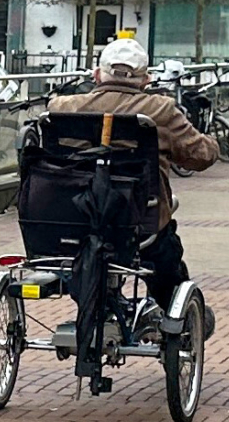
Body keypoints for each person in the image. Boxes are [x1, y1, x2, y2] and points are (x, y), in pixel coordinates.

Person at [46, 37, 218, 337]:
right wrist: (213, 144)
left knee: (78, 252)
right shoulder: (160, 110)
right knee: (166, 263)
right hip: (140, 223)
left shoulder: (63, 107)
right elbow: (198, 157)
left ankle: (99, 304)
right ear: (146, 79)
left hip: (72, 218)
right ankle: (180, 319)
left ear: (97, 74)